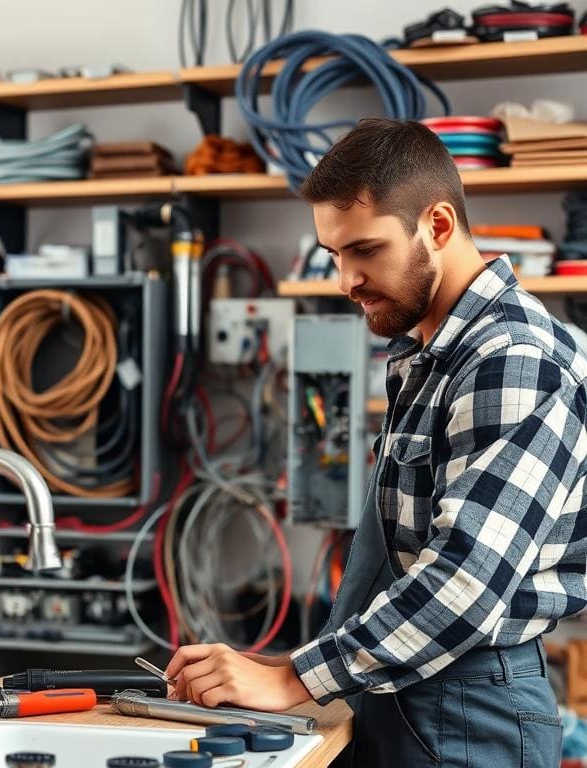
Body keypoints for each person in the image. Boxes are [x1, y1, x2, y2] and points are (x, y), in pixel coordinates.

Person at [166, 118, 582, 767]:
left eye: (364, 249)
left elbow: (466, 583)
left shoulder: (513, 359)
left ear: (438, 226)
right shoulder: (433, 355)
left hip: (470, 705)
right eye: (334, 253)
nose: (345, 278)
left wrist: (292, 679)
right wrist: (297, 666)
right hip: (409, 683)